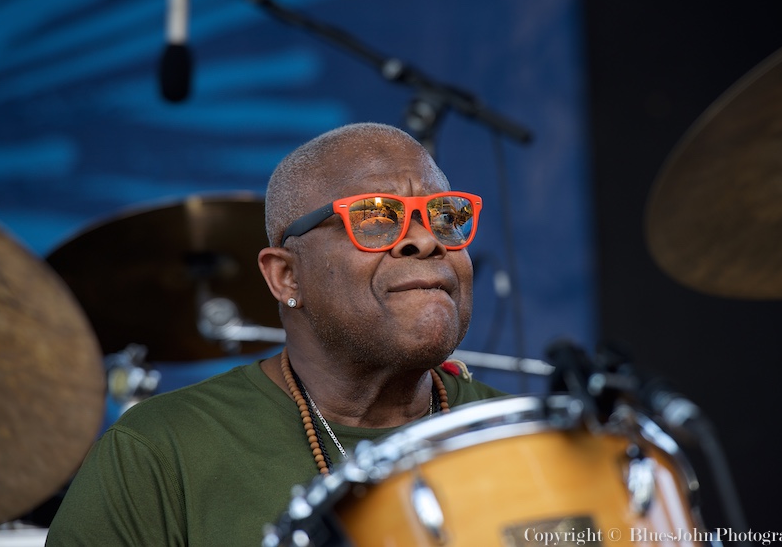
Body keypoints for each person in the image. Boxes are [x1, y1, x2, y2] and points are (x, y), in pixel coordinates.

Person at [46, 122, 506, 546]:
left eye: (445, 215)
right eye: (376, 217)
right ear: (286, 277)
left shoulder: (515, 436)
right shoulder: (157, 453)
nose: (427, 240)